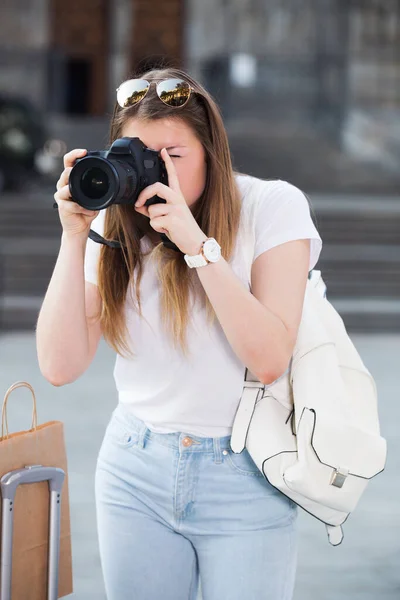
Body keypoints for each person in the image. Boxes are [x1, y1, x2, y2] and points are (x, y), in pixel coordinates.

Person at [36, 67, 323, 600]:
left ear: (211, 151)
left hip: (246, 476)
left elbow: (267, 358)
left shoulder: (272, 206)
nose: (153, 172)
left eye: (172, 155)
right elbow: (59, 365)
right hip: (134, 469)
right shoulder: (118, 229)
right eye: (139, 156)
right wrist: (74, 238)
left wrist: (197, 245)